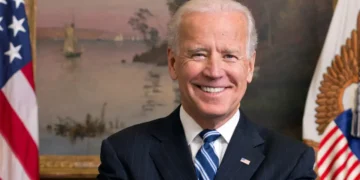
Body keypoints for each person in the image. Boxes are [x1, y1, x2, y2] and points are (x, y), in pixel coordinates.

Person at [97, 0, 317, 179]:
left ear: (249, 67)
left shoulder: (291, 163)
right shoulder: (125, 154)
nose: (214, 72)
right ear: (173, 63)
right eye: (198, 54)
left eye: (229, 56)